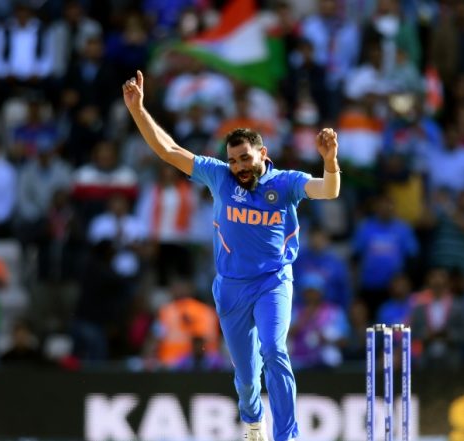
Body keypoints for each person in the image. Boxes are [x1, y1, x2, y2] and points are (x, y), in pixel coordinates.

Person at [122, 70, 341, 441]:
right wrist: (138, 110)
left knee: (274, 350)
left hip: (273, 281)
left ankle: (287, 436)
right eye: (234, 160)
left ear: (262, 154)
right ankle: (253, 423)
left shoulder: (286, 183)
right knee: (246, 376)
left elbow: (329, 191)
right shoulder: (219, 175)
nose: (239, 167)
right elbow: (169, 151)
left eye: (244, 159)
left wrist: (330, 160)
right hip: (231, 288)